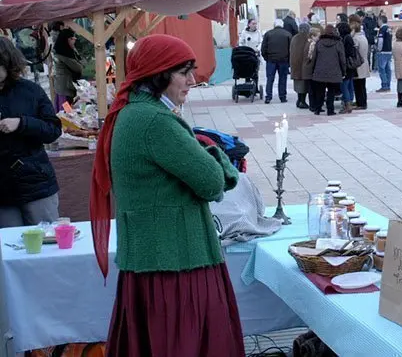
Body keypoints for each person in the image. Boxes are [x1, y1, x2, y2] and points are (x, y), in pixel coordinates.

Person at [91, 35, 244, 356]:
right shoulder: (155, 121)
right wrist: (214, 153)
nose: (192, 80)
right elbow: (212, 183)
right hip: (175, 264)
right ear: (158, 73)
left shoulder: (132, 112)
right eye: (183, 72)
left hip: (154, 261)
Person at [0, 38, 62, 228]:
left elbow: (53, 129)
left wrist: (22, 123)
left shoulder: (31, 91)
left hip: (36, 184)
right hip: (2, 191)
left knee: (47, 246)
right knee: (9, 250)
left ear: (7, 62)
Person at [311, 25, 346, 116]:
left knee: (320, 91)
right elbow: (342, 59)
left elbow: (314, 57)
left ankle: (317, 109)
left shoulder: (319, 42)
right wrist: (343, 71)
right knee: (331, 91)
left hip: (320, 71)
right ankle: (330, 110)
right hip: (334, 71)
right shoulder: (338, 43)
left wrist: (313, 69)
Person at [52, 28, 85, 112]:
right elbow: (79, 68)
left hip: (63, 88)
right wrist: (74, 50)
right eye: (73, 39)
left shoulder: (63, 51)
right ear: (67, 40)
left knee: (66, 111)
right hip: (65, 90)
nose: (74, 41)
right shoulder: (63, 55)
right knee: (67, 113)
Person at [261, 19, 292, 104]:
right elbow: (291, 49)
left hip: (271, 60)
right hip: (284, 60)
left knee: (270, 79)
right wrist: (289, 61)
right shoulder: (288, 34)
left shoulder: (268, 34)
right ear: (282, 25)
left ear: (274, 25)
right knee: (283, 79)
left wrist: (266, 58)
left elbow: (263, 48)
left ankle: (268, 97)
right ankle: (282, 97)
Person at [290, 22, 312, 109]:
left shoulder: (294, 37)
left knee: (298, 84)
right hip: (303, 64)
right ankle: (302, 101)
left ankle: (299, 100)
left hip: (295, 64)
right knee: (304, 84)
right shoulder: (307, 38)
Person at [337, 20, 356, 114]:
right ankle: (350, 102)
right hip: (351, 65)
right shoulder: (350, 37)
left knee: (344, 86)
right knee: (350, 85)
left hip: (346, 65)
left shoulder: (344, 39)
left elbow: (344, 53)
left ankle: (347, 104)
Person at [351, 20, 370, 110]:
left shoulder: (355, 39)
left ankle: (361, 103)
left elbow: (354, 51)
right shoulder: (363, 37)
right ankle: (362, 101)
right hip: (364, 63)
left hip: (358, 64)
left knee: (358, 85)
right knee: (362, 85)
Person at [303, 27, 321, 112]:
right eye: (317, 36)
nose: (319, 38)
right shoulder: (312, 44)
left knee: (312, 89)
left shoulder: (308, 42)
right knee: (313, 89)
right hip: (310, 69)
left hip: (307, 69)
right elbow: (311, 57)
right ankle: (313, 106)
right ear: (313, 36)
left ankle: (313, 105)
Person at [376, 15, 393, 92]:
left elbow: (380, 40)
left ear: (380, 20)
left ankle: (384, 85)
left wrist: (379, 49)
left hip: (382, 51)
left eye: (378, 20)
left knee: (382, 69)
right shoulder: (389, 29)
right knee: (388, 69)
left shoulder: (382, 29)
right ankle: (388, 85)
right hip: (389, 51)